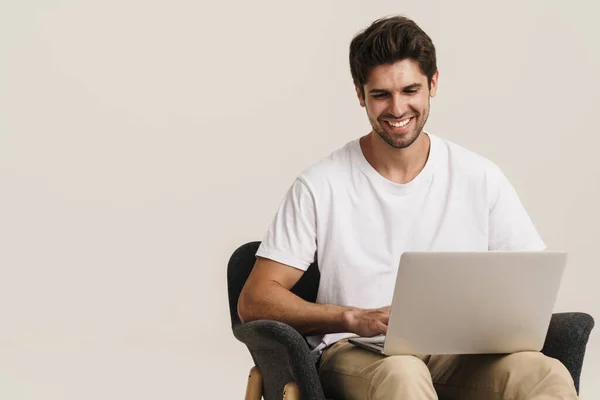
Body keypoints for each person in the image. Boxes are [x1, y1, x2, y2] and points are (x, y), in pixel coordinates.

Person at [237, 15, 578, 400]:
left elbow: (529, 281)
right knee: (403, 373)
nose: (397, 109)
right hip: (359, 353)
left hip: (461, 356)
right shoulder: (321, 185)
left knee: (545, 373)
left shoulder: (479, 177)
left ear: (433, 84)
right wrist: (352, 317)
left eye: (410, 90)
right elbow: (255, 299)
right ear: (359, 94)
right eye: (381, 94)